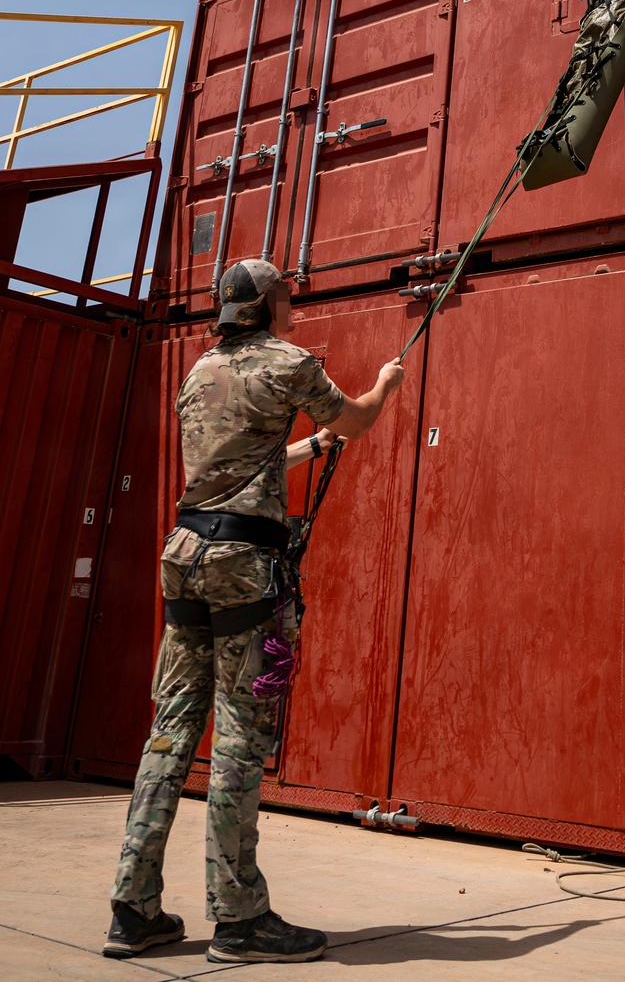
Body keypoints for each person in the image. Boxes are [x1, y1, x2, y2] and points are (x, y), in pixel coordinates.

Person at [103, 259, 404, 966]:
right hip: (244, 569)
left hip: (186, 553)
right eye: (287, 295)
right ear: (269, 302)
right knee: (240, 738)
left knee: (170, 732)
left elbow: (234, 468)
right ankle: (239, 918)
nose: (292, 303)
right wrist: (385, 387)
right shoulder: (290, 361)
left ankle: (132, 906)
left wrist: (306, 446)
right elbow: (357, 419)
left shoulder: (200, 370)